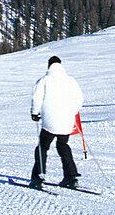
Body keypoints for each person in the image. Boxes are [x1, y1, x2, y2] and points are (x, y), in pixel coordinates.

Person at [30, 55, 83, 189]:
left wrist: (34, 113)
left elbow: (37, 98)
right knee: (63, 146)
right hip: (66, 121)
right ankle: (71, 176)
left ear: (49, 66)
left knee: (43, 146)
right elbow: (79, 99)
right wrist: (72, 111)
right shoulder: (70, 80)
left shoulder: (44, 80)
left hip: (49, 121)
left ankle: (38, 177)